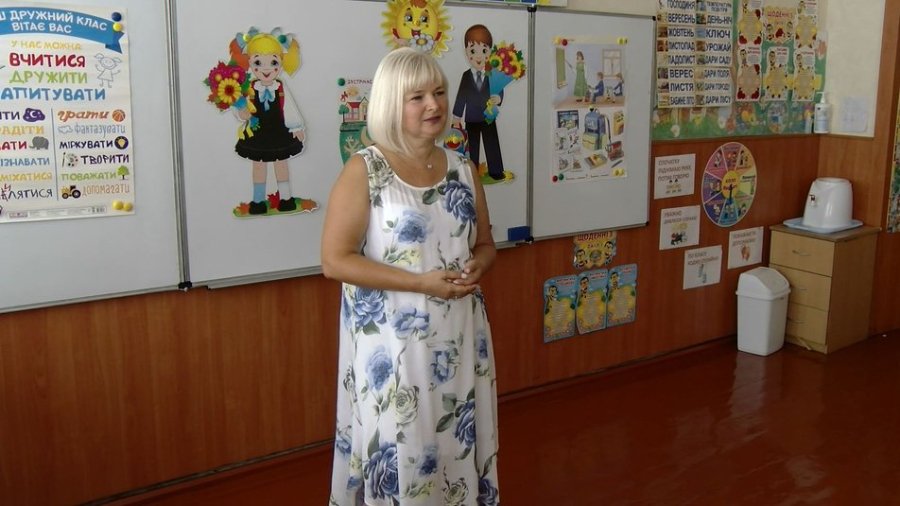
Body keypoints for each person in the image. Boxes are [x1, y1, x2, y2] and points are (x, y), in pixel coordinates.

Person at [322, 47, 500, 506]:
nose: (434, 105)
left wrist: (479, 263)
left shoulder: (463, 168)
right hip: (393, 346)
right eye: (416, 97)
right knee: (402, 446)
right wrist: (421, 283)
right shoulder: (364, 169)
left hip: (459, 337)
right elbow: (335, 261)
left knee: (454, 441)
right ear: (389, 103)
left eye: (438, 92)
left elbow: (485, 244)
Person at [230, 27, 306, 215]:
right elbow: (241, 108)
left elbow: (288, 108)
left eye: (273, 62)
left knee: (281, 163)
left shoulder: (280, 88)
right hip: (257, 133)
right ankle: (258, 201)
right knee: (258, 165)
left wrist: (296, 127)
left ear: (281, 64)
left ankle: (286, 198)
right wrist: (242, 112)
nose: (266, 69)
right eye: (258, 62)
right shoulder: (249, 88)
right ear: (250, 63)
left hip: (279, 132)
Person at [452, 24, 506, 181]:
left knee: (492, 143)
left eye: (483, 51)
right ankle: (472, 171)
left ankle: (496, 171)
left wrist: (498, 98)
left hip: (489, 116)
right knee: (472, 147)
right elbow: (461, 97)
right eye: (473, 51)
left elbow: (499, 89)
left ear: (490, 52)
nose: (478, 56)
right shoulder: (466, 76)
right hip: (471, 117)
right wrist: (456, 117)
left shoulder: (492, 74)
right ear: (466, 52)